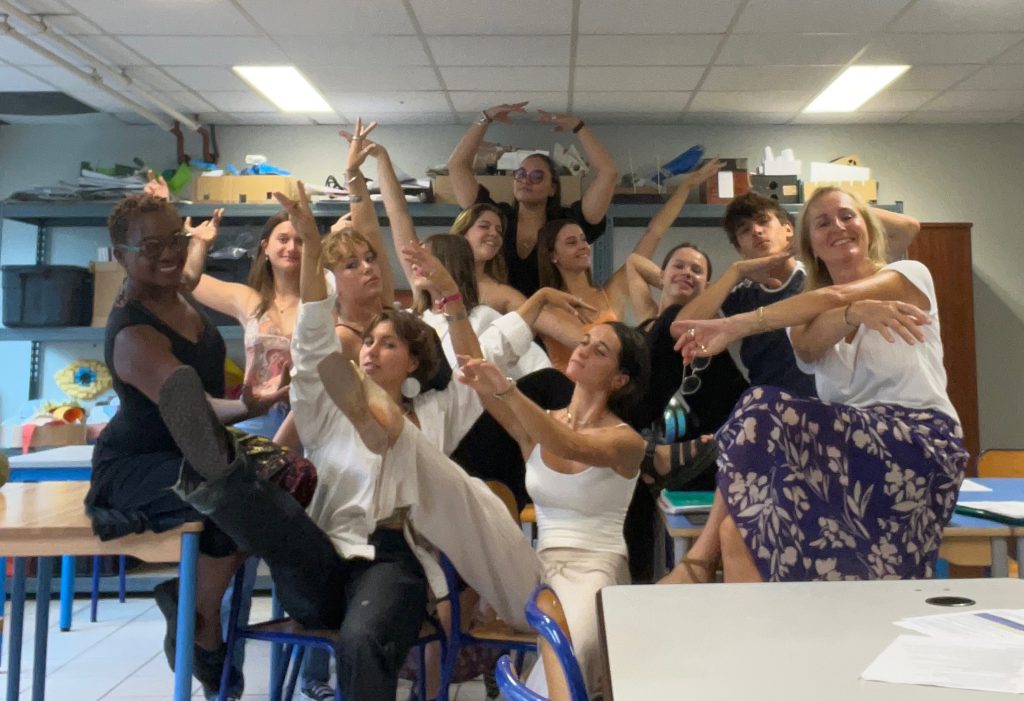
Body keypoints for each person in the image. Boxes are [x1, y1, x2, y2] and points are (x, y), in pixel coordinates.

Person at [661, 186, 967, 584]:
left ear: (868, 227)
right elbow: (818, 327)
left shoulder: (908, 275)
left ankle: (699, 562)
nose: (837, 226)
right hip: (847, 462)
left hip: (920, 443)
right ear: (811, 247)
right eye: (822, 223)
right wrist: (853, 313)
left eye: (847, 217)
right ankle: (755, 619)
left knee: (760, 403)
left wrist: (735, 326)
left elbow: (840, 291)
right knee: (737, 532)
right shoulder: (801, 321)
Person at [84, 193, 291, 698]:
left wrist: (199, 242)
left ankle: (192, 603)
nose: (169, 254)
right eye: (151, 246)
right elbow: (194, 408)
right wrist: (249, 405)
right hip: (139, 466)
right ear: (121, 257)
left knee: (279, 481)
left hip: (194, 450)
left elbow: (188, 267)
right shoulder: (134, 333)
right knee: (234, 501)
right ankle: (202, 623)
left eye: (174, 240)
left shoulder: (176, 288)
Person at [458, 321, 648, 695]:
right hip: (535, 564)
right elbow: (475, 370)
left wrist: (508, 390)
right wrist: (452, 305)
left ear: (619, 379)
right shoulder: (540, 423)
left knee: (571, 649)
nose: (583, 350)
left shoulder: (627, 442)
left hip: (594, 568)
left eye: (599, 351)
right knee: (459, 487)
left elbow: (570, 445)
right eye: (584, 342)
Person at [674, 190, 921, 398]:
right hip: (766, 409)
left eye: (763, 221)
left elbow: (907, 228)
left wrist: (821, 212)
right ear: (740, 248)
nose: (757, 231)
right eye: (745, 230)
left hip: (828, 407)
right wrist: (736, 271)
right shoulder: (742, 295)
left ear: (789, 229)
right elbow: (682, 328)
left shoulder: (823, 277)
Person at [446, 101, 618, 296]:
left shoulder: (568, 224)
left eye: (537, 176)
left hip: (555, 311)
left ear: (553, 188)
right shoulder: (496, 219)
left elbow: (608, 173)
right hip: (498, 312)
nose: (526, 180)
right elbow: (456, 166)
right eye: (520, 174)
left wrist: (578, 126)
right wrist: (485, 117)